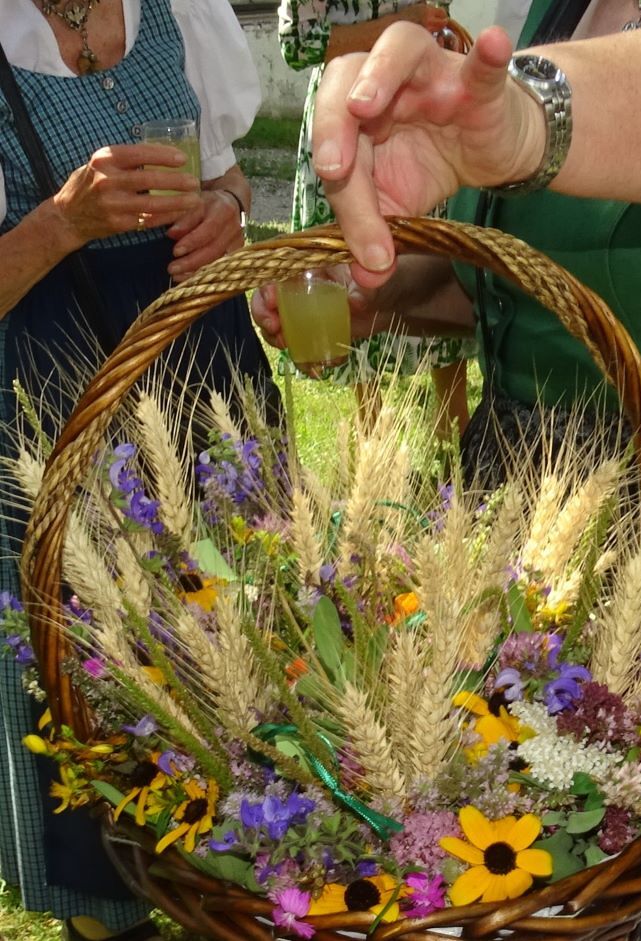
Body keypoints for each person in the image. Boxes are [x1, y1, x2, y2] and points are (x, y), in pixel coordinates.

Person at [251, 5, 641, 939]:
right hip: (527, 515)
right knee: (514, 856)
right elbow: (525, 279)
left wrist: (530, 117)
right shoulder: (558, 9)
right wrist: (381, 297)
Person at [0, 1, 280, 939]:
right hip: (64, 390)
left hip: (207, 371)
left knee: (248, 627)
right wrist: (61, 224)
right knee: (101, 662)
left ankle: (271, 874)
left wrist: (226, 212)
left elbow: (227, 175)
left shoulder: (182, 9)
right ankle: (110, 911)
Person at [276, 0, 478, 439]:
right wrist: (400, 25)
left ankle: (453, 432)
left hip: (427, 110)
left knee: (439, 260)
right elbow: (299, 44)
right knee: (356, 272)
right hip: (347, 112)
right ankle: (372, 438)